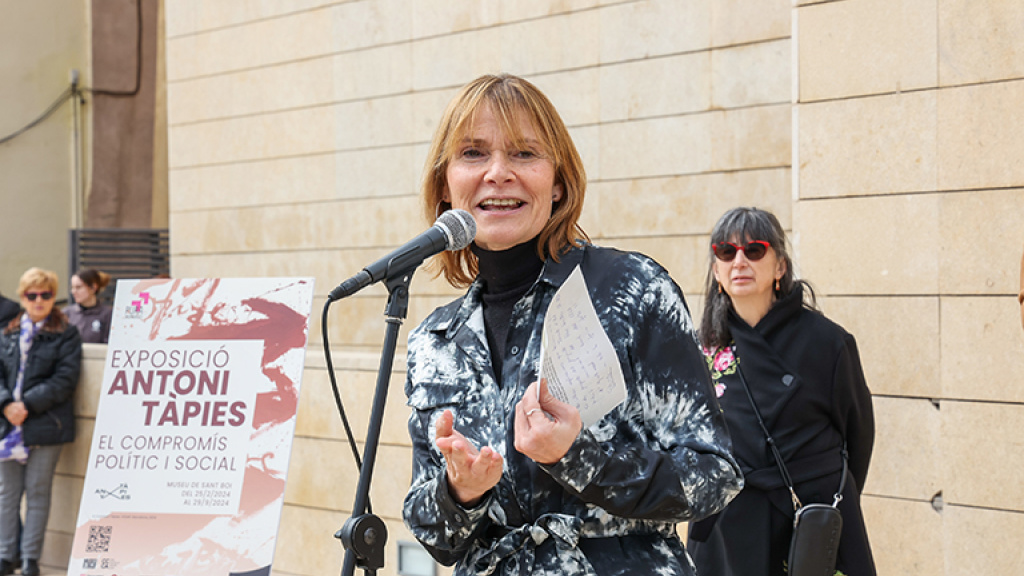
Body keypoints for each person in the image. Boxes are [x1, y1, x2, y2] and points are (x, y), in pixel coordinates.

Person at [402, 73, 742, 576]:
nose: (498, 172)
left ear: (558, 183)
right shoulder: (434, 342)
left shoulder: (630, 290)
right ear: (445, 186)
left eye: (523, 154)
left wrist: (581, 457)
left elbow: (715, 476)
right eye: (473, 153)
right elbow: (435, 538)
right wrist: (460, 493)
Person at [686, 207, 875, 576]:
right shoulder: (700, 349)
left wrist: (833, 500)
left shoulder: (827, 342)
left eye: (754, 250)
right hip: (730, 523)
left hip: (809, 517)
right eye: (726, 252)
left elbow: (858, 435)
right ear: (716, 272)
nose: (739, 261)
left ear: (780, 267)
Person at [0, 268, 83, 576]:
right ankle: (6, 555)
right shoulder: (6, 333)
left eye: (46, 295)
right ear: (22, 298)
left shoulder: (66, 333)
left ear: (53, 297)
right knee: (7, 495)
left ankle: (30, 559)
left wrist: (27, 405)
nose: (39, 301)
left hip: (46, 424)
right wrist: (7, 404)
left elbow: (64, 379)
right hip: (8, 425)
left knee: (37, 491)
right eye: (32, 295)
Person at [65, 268, 113, 344]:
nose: (73, 292)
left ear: (93, 288)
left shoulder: (107, 315)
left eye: (78, 287)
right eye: (72, 287)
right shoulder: (67, 313)